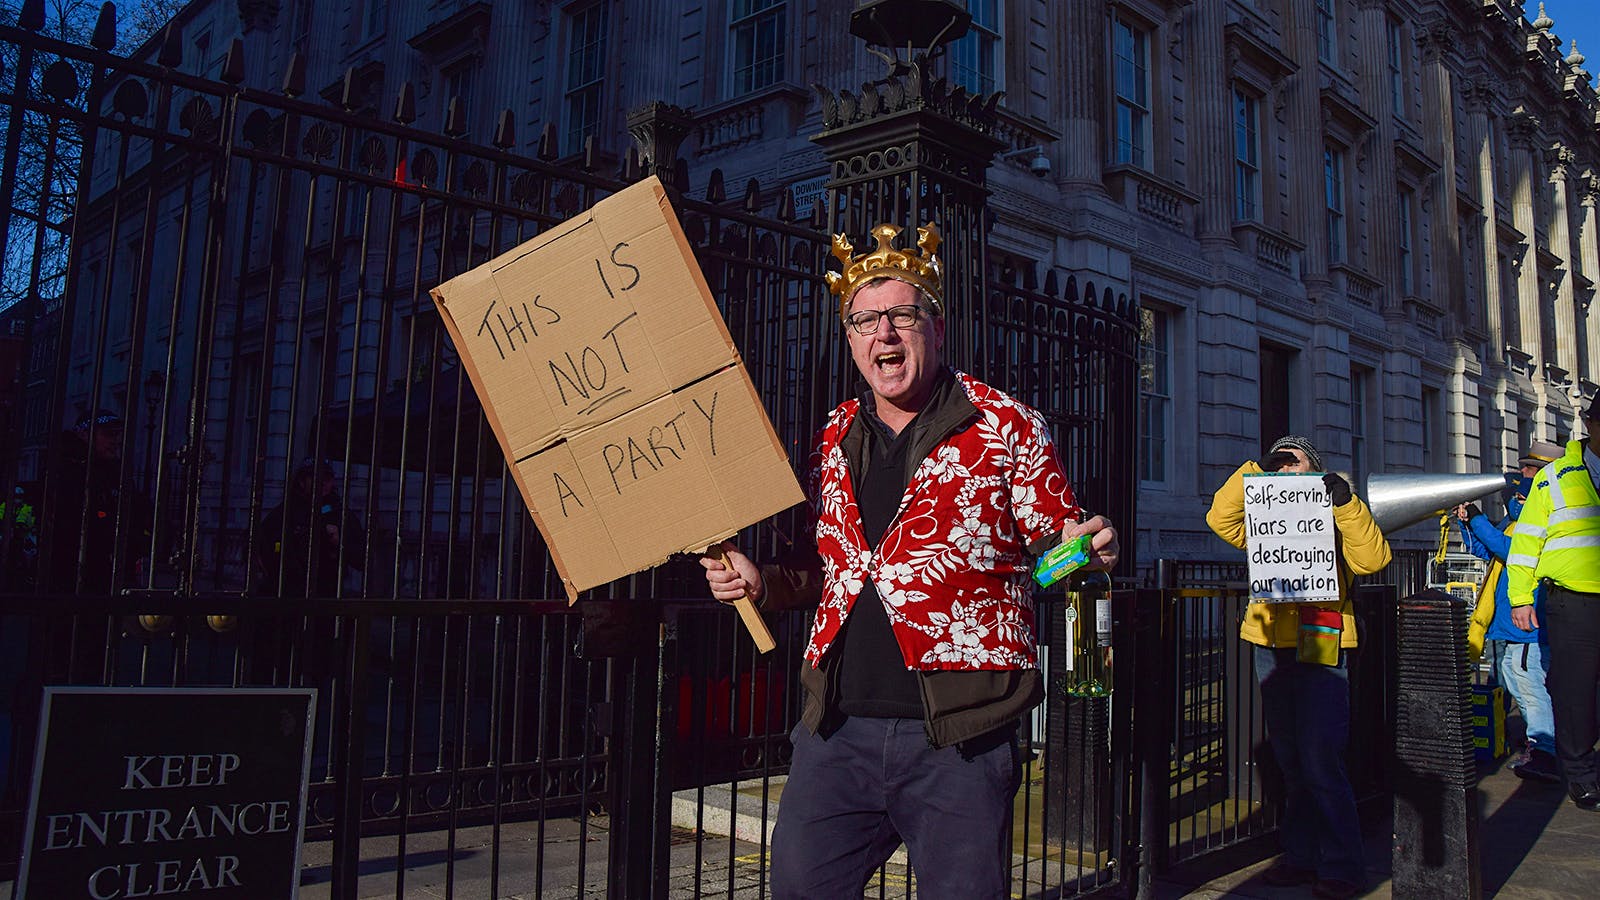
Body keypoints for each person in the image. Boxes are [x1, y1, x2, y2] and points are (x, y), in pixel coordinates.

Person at [700, 222, 1118, 898]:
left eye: (900, 315)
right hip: (835, 731)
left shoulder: (1007, 424)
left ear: (936, 327)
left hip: (961, 738)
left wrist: (1088, 551)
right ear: (851, 340)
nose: (883, 334)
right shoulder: (830, 437)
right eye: (865, 321)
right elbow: (827, 567)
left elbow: (1050, 562)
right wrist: (763, 583)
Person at [1206, 436, 1391, 900]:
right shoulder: (1262, 515)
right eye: (1280, 464)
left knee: (1321, 755)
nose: (1288, 470)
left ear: (1316, 468)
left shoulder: (1336, 510)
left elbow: (1373, 558)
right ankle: (1302, 855)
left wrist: (1345, 504)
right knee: (1290, 757)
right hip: (1270, 639)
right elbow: (1218, 518)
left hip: (1321, 636)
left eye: (1297, 462)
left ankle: (1343, 865)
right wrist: (1256, 470)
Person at [1507, 397, 1600, 811]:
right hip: (1573, 601)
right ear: (1592, 425)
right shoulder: (1555, 477)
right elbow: (1526, 544)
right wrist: (1520, 598)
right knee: (1574, 691)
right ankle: (1581, 774)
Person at [1455, 439, 1563, 783]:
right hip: (1509, 621)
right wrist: (1467, 523)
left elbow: (1511, 550)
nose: (1521, 475)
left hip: (1528, 621)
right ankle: (1537, 741)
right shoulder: (1515, 519)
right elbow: (1488, 552)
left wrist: (1479, 519)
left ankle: (1545, 749)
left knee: (1530, 682)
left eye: (1530, 469)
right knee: (1516, 678)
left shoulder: (1546, 514)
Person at [254, 459, 365, 598]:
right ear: (302, 482)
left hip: (326, 594)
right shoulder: (286, 513)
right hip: (288, 595)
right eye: (316, 478)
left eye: (328, 478)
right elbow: (259, 545)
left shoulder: (340, 514)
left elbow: (362, 559)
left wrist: (339, 542)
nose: (323, 483)